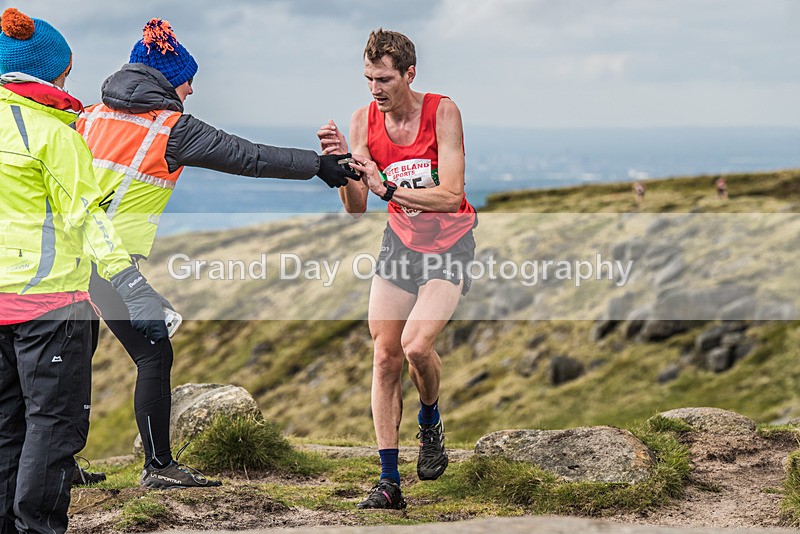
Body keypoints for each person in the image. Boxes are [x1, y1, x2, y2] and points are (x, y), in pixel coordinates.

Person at [75, 18, 359, 490]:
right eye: (189, 80)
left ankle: (58, 462)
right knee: (152, 353)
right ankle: (159, 468)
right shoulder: (169, 127)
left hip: (64, 259)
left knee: (67, 356)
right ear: (168, 80)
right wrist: (318, 166)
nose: (191, 91)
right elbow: (247, 155)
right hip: (110, 266)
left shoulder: (89, 114)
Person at [0, 8, 170, 533]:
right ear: (50, 75)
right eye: (65, 73)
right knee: (54, 427)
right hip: (52, 304)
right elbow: (87, 218)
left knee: (7, 427)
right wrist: (131, 285)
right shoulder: (53, 135)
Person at [317, 28, 477, 509]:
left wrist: (389, 189)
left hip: (450, 244)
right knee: (385, 356)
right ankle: (389, 483)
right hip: (400, 247)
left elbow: (450, 196)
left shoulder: (442, 112)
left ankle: (429, 420)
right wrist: (342, 167)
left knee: (415, 345)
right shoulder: (363, 121)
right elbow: (356, 207)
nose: (375, 89)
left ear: (409, 74)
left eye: (384, 79)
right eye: (369, 79)